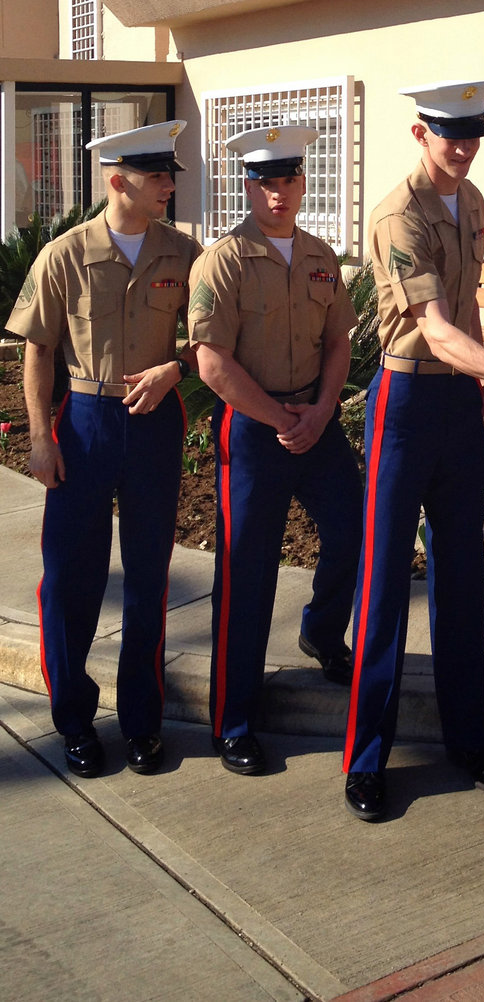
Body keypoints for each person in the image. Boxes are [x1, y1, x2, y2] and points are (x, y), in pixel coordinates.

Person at [342, 80, 484, 821]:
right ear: (419, 132)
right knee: (386, 584)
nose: (462, 146)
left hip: (460, 398)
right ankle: (366, 760)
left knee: (460, 577)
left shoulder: (473, 200)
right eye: (448, 133)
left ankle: (468, 740)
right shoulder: (399, 214)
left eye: (472, 133)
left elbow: (466, 317)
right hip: (408, 401)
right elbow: (435, 327)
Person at [6, 121, 200, 777]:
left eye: (169, 175)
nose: (170, 185)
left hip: (154, 423)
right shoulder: (63, 254)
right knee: (69, 582)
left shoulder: (184, 253)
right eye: (158, 177)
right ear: (119, 182)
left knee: (148, 581)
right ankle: (76, 722)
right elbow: (37, 350)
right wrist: (39, 438)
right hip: (83, 425)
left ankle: (142, 723)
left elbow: (213, 336)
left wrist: (177, 367)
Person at [188, 126, 362, 775]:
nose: (278, 192)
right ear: (248, 186)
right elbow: (212, 362)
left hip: (313, 420)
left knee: (355, 532)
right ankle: (234, 720)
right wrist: (280, 419)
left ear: (302, 182)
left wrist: (319, 410)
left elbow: (340, 341)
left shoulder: (319, 255)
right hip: (256, 428)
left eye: (288, 179)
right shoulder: (224, 261)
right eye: (266, 181)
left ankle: (321, 632)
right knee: (246, 573)